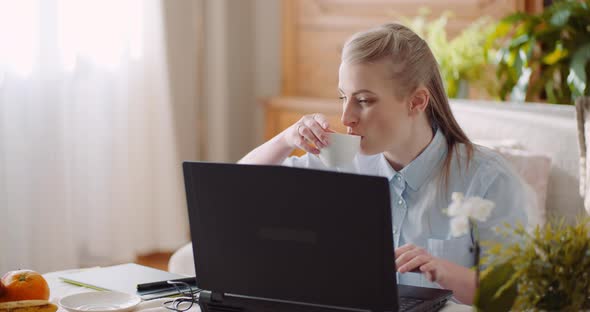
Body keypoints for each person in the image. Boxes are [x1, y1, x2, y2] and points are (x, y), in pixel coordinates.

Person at [239, 23, 530, 304]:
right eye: (343, 97)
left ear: (416, 102)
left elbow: (515, 296)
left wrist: (444, 273)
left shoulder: (487, 178)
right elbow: (236, 191)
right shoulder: (338, 162)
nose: (346, 117)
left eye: (364, 101)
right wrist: (286, 139)